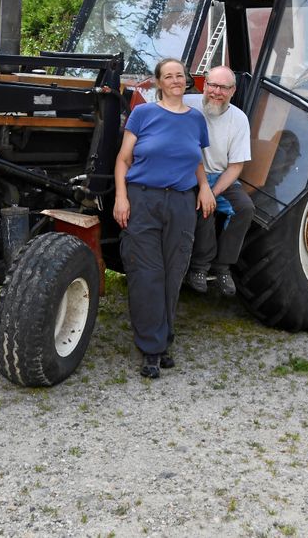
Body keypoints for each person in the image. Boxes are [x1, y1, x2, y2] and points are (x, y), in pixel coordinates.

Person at [113, 58, 216, 379]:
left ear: (187, 81)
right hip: (143, 199)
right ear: (158, 82)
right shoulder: (144, 113)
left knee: (174, 273)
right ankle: (151, 349)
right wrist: (121, 197)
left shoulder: (196, 120)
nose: (174, 80)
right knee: (147, 274)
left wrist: (204, 187)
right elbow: (123, 159)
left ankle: (163, 340)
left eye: (179, 75)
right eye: (168, 76)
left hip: (182, 204)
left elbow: (193, 157)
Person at [183, 65, 255, 297]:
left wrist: (214, 191)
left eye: (224, 87)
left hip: (222, 176)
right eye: (212, 85)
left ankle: (223, 267)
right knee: (202, 208)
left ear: (233, 91)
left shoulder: (239, 119)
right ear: (204, 84)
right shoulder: (188, 105)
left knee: (244, 208)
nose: (216, 92)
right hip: (191, 172)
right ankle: (198, 268)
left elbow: (236, 166)